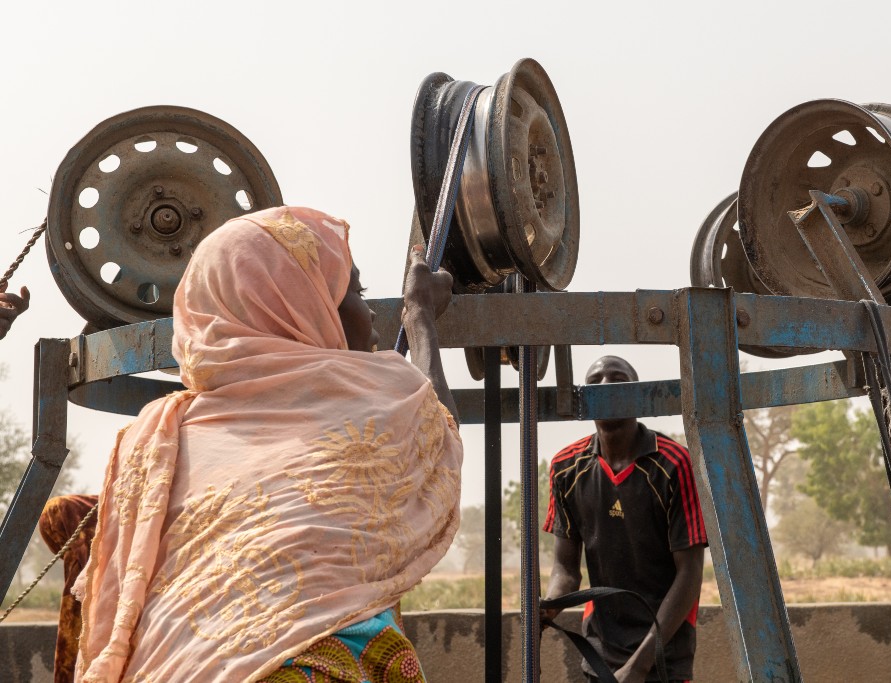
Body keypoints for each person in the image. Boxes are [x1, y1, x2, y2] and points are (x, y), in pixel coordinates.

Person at [64, 206, 462, 682]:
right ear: (302, 308)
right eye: (352, 290)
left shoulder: (158, 433)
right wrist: (420, 318)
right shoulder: (367, 406)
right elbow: (439, 430)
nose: (369, 310)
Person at [541, 355, 707, 683]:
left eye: (617, 380)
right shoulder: (566, 468)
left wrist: (641, 664)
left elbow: (690, 575)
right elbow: (566, 571)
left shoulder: (674, 463)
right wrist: (547, 607)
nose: (604, 386)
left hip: (663, 652)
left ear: (637, 394)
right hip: (601, 651)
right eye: (595, 381)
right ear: (583, 400)